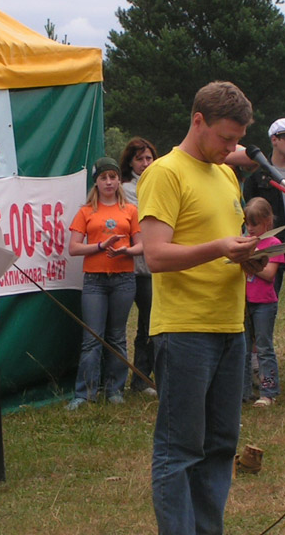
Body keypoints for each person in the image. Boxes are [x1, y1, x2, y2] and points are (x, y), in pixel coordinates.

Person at [138, 80, 263, 535]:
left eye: (237, 140)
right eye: (226, 138)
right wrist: (219, 248)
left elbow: (226, 244)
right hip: (184, 329)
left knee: (221, 445)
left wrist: (248, 257)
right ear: (198, 121)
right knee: (180, 449)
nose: (231, 148)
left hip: (230, 325)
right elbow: (155, 255)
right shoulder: (165, 173)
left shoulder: (225, 174)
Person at [67, 156, 143, 410]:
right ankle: (85, 393)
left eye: (113, 177)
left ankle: (114, 390)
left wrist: (126, 251)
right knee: (92, 337)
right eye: (103, 178)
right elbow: (74, 248)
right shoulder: (86, 211)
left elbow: (141, 245)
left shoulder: (130, 210)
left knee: (117, 336)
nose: (109, 182)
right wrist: (101, 246)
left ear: (119, 180)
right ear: (96, 182)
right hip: (95, 280)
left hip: (124, 278)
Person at [243, 117, 285, 379]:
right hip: (270, 246)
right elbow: (249, 214)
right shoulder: (258, 177)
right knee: (260, 300)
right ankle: (256, 359)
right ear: (274, 140)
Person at [119, 137, 159, 396]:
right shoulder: (123, 189)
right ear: (130, 162)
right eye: (139, 159)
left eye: (149, 158)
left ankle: (141, 379)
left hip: (149, 268)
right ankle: (111, 382)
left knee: (149, 323)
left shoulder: (160, 183)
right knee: (116, 328)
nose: (145, 163)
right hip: (124, 266)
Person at [242, 197, 285, 407]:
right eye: (247, 223)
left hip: (264, 303)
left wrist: (248, 260)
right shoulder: (243, 241)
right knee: (242, 347)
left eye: (255, 224)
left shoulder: (273, 244)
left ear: (267, 222)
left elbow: (269, 274)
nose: (250, 229)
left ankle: (268, 390)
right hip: (244, 301)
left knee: (264, 347)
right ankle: (243, 391)